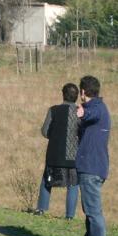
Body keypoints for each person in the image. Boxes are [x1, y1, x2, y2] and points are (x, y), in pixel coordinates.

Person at [74, 75, 111, 236]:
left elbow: (92, 113)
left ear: (83, 92)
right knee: (90, 209)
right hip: (93, 167)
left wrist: (82, 113)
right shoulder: (99, 107)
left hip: (91, 168)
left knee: (93, 211)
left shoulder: (96, 108)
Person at [34, 83, 80, 219]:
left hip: (54, 154)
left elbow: (44, 131)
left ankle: (41, 209)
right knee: (73, 184)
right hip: (73, 156)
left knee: (47, 181)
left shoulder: (53, 110)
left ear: (63, 94)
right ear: (76, 96)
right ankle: (69, 216)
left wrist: (54, 137)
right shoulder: (80, 112)